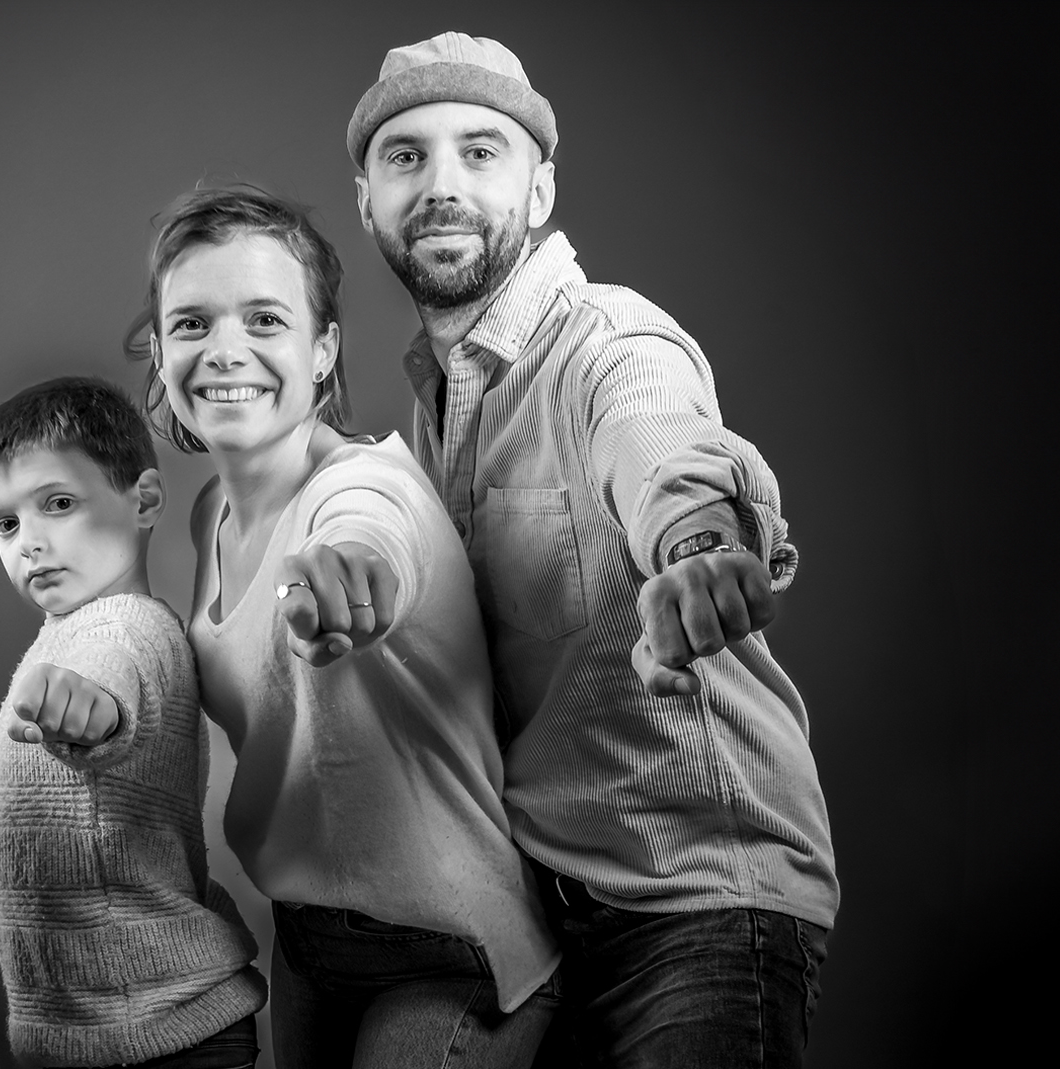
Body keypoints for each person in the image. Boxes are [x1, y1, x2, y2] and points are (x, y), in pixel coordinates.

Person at [341, 31, 838, 1068]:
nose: (441, 184)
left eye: (481, 152)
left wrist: (695, 540)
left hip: (699, 901)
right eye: (405, 156)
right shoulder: (434, 408)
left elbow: (658, 437)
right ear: (365, 199)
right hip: (539, 916)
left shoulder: (607, 338)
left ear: (539, 191)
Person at [129, 184, 557, 1068]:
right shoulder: (211, 507)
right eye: (193, 323)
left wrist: (352, 576)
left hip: (450, 953)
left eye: (264, 319)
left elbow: (371, 535)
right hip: (310, 943)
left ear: (323, 351)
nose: (225, 350)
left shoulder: (363, 488)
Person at [0, 376, 267, 1069]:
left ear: (144, 501)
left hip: (162, 1030)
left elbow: (112, 693)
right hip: (93, 1033)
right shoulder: (58, 635)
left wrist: (90, 712)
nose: (29, 542)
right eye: (5, 523)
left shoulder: (130, 630)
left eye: (59, 504)